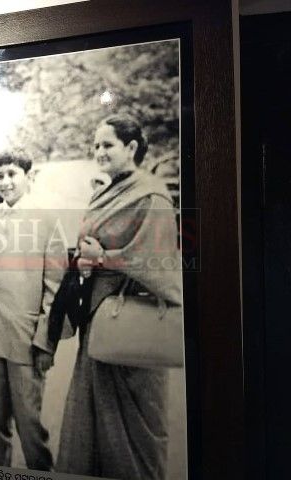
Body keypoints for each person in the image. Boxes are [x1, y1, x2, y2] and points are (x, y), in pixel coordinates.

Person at [54, 113, 182, 480]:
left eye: (107, 144)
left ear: (131, 147)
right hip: (100, 320)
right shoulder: (110, 188)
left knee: (137, 431)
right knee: (89, 423)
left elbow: (161, 268)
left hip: (133, 324)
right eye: (95, 145)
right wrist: (85, 265)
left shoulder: (151, 195)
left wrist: (105, 258)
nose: (99, 152)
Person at [0, 151, 67, 470]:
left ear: (28, 177)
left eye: (12, 174)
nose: (5, 182)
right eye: (0, 176)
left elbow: (55, 287)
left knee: (30, 426)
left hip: (25, 339)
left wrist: (45, 342)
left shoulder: (48, 219)